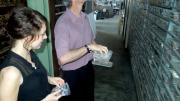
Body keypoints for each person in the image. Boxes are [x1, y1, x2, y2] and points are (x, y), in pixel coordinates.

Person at [0, 7, 64, 101]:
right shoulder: (10, 74)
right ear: (27, 37)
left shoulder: (29, 52)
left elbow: (30, 79)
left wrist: (49, 79)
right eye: (42, 34)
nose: (46, 37)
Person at [54, 0, 108, 101]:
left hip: (88, 69)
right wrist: (88, 47)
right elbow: (62, 59)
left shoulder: (86, 18)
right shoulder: (62, 23)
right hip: (71, 75)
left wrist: (99, 50)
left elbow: (91, 41)